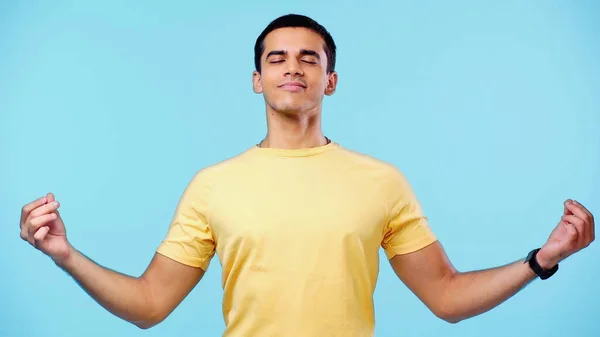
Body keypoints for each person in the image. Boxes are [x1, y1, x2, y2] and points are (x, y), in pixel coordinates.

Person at [19, 13, 595, 337]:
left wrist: (541, 259)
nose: (292, 66)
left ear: (331, 80)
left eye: (309, 58)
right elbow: (149, 305)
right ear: (256, 80)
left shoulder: (380, 181)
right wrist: (65, 255)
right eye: (277, 58)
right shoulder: (213, 185)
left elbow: (445, 297)